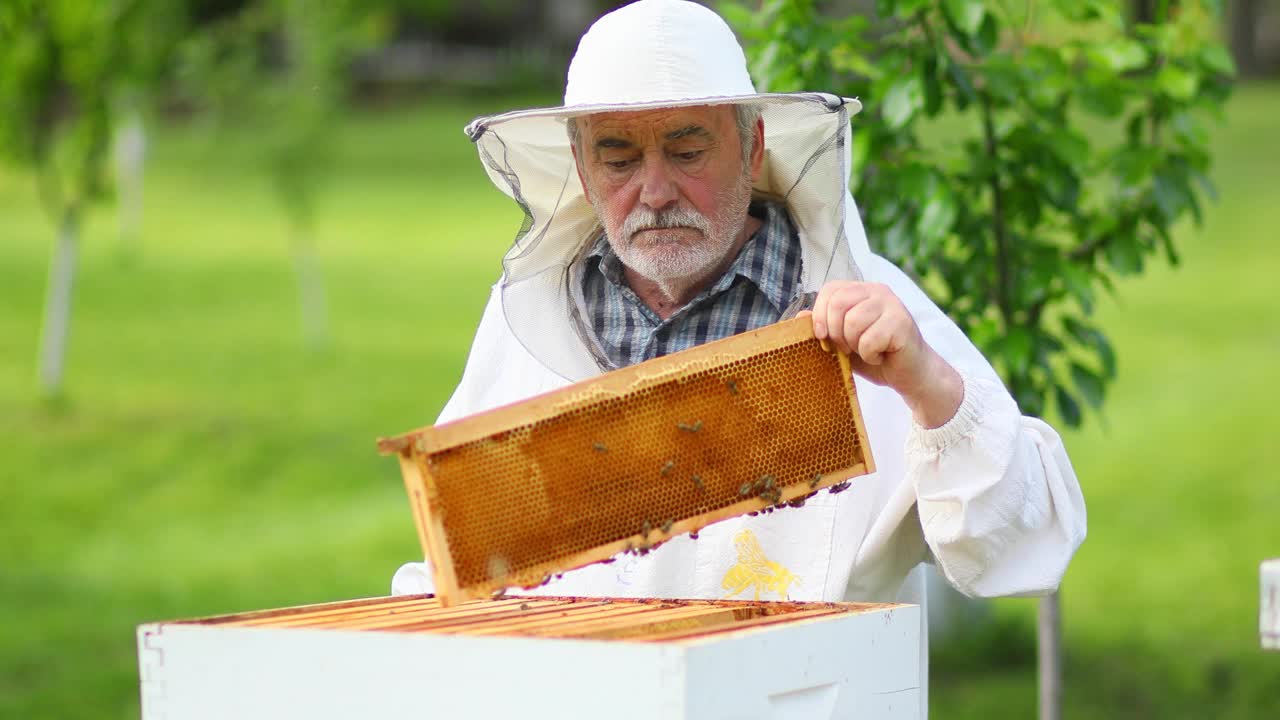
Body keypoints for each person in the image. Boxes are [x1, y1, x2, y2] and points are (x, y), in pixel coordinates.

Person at [393, 0, 1086, 703]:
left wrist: (930, 387)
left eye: (687, 150)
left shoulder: (867, 310)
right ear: (580, 164)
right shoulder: (532, 318)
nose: (655, 191)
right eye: (618, 157)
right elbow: (456, 566)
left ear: (752, 147)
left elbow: (1025, 542)